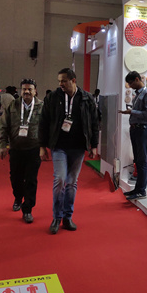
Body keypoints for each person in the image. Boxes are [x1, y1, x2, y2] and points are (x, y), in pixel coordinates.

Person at [39, 68, 99, 234]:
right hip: (58, 146)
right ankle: (56, 217)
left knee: (71, 182)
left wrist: (94, 145)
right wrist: (42, 146)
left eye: (64, 81)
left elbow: (94, 123)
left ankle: (67, 217)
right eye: (59, 81)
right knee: (59, 179)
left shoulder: (87, 98)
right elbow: (43, 122)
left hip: (78, 147)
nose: (61, 84)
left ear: (73, 80)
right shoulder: (52, 97)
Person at [0, 79, 43, 224]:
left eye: (30, 89)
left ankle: (28, 209)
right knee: (15, 178)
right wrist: (2, 144)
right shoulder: (13, 105)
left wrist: (45, 146)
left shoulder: (42, 106)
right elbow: (3, 125)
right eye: (24, 89)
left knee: (31, 180)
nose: (27, 92)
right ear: (20, 91)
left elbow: (46, 127)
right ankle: (18, 197)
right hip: (16, 148)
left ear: (35, 91)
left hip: (34, 149)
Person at [118, 73, 147, 201]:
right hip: (135, 129)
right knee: (137, 161)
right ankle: (137, 188)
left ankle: (141, 190)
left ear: (137, 79)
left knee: (142, 161)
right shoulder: (138, 94)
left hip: (142, 129)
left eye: (131, 83)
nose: (130, 86)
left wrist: (132, 112)